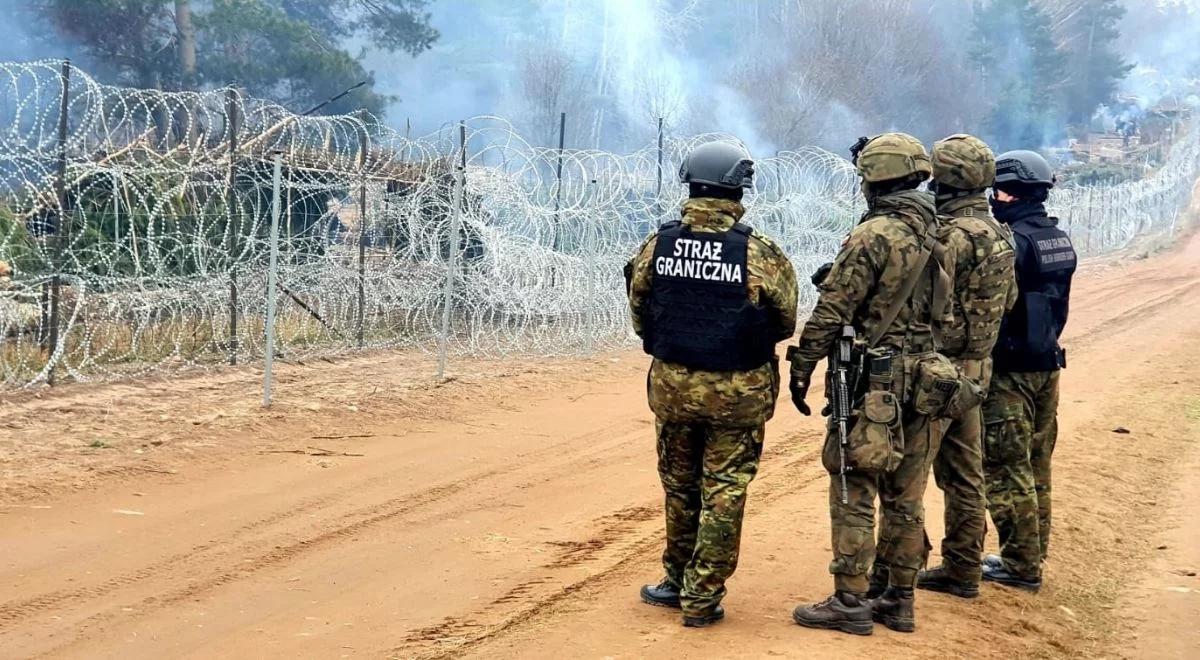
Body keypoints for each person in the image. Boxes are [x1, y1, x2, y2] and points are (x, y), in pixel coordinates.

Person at [625, 141, 798, 628]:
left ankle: (674, 580)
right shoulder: (759, 252)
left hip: (674, 389)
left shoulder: (658, 245)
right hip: (739, 392)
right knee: (724, 490)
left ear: (689, 182)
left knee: (680, 488)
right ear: (739, 188)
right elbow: (784, 320)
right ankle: (701, 597)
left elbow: (641, 313)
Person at [789, 133, 953, 635]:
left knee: (853, 482)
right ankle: (898, 600)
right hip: (926, 376)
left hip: (872, 377)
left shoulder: (875, 235)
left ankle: (850, 600)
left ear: (875, 179)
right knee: (907, 494)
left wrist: (802, 364)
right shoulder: (941, 233)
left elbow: (834, 308)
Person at [912, 134, 1017, 599]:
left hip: (936, 370)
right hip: (977, 370)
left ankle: (899, 570)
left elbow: (917, 303)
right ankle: (963, 569)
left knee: (907, 475)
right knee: (966, 476)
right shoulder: (1001, 234)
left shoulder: (946, 236)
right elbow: (1007, 300)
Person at [981, 150, 1076, 593]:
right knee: (1037, 465)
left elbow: (990, 307)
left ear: (1008, 192)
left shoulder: (1012, 243)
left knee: (1005, 467)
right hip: (1046, 365)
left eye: (995, 191)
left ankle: (1020, 564)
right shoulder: (1056, 238)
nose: (992, 199)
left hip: (1011, 370)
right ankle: (1031, 554)